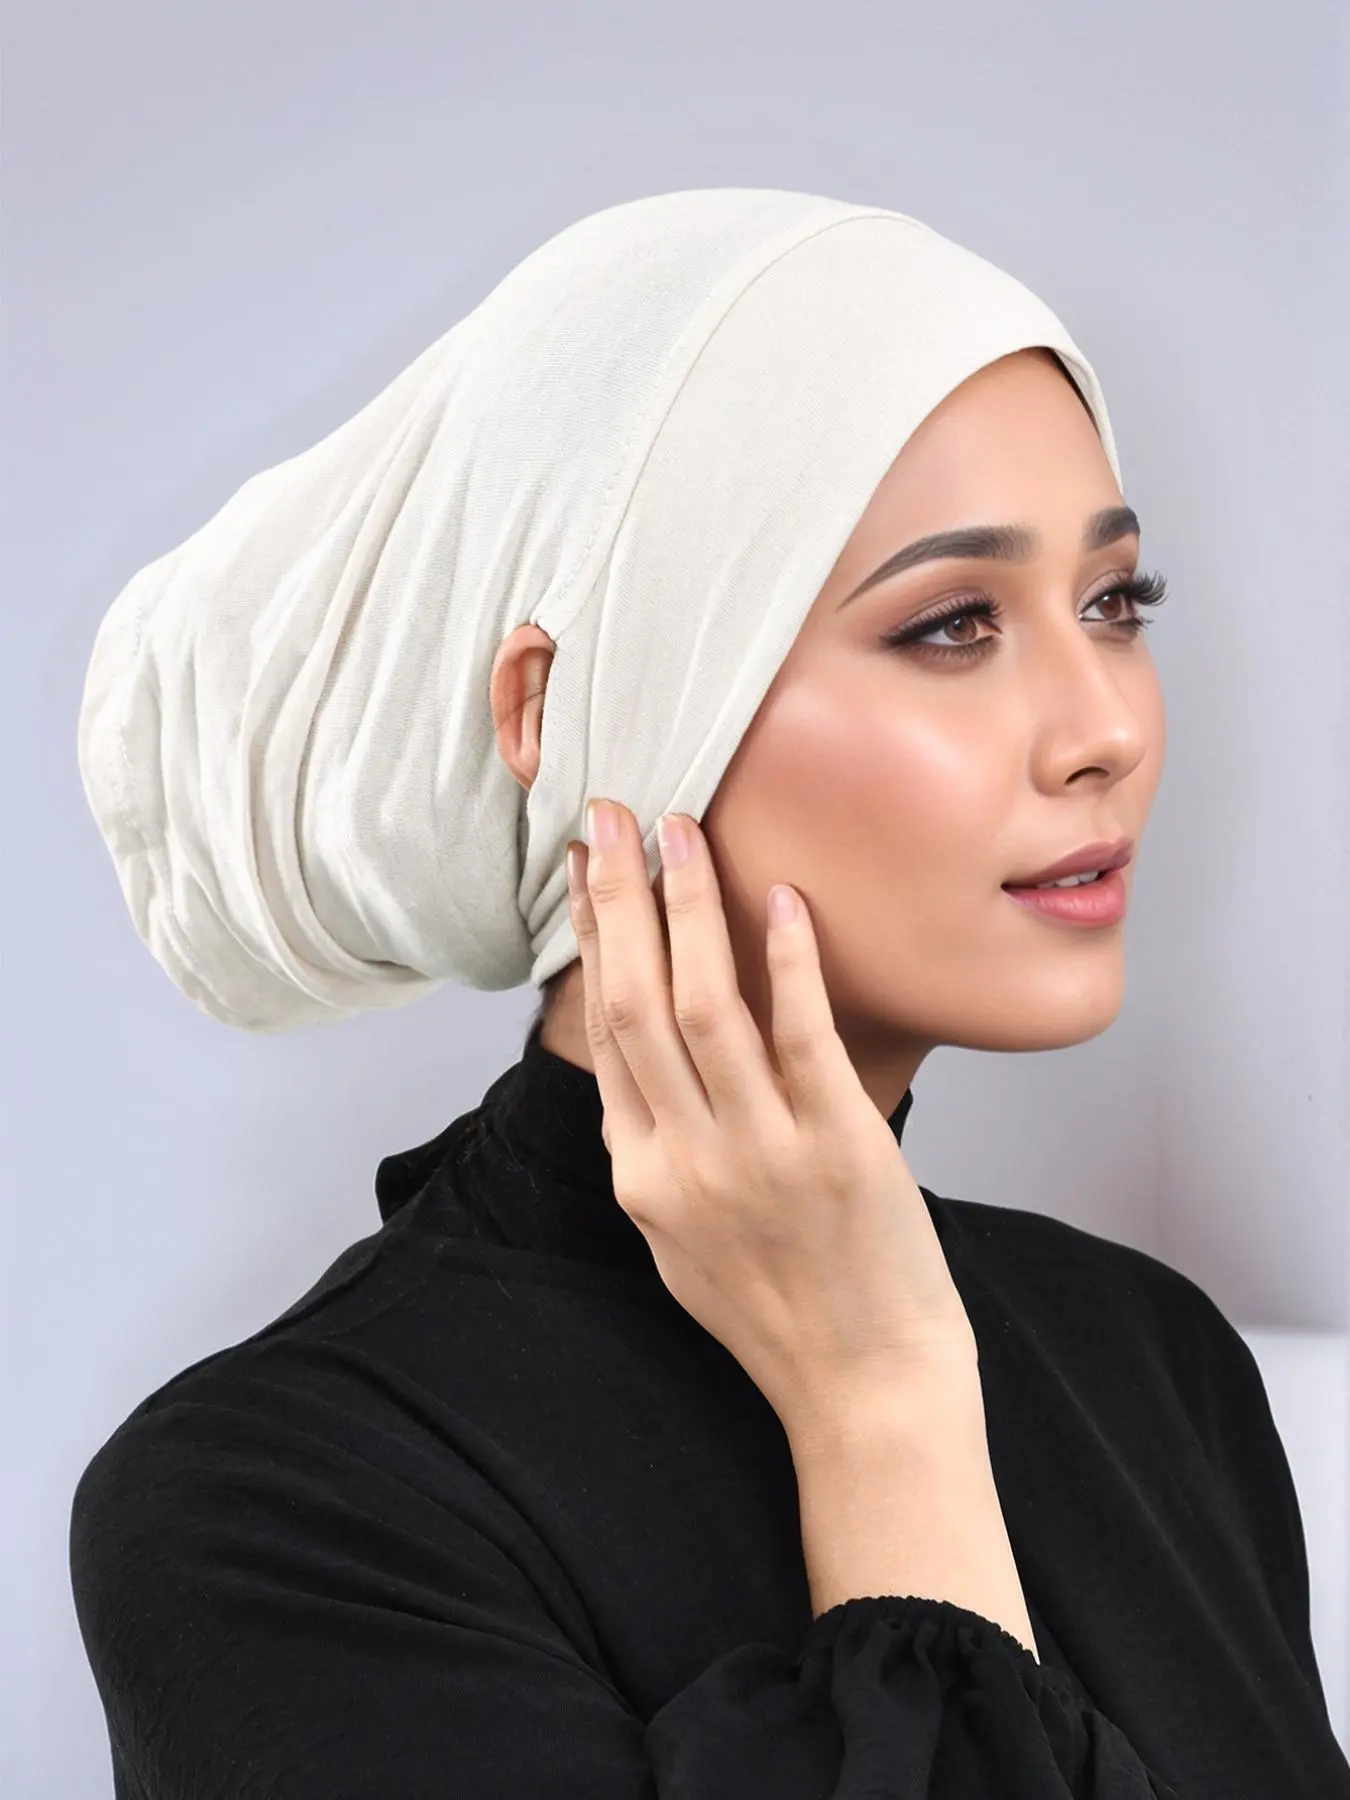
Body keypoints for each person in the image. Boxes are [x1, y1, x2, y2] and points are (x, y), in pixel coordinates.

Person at [69, 189, 1350, 1797]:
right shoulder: (271, 1504)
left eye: (1113, 603)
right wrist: (878, 1412)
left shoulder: (1147, 1363)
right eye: (953, 624)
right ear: (556, 712)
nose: (1105, 728)